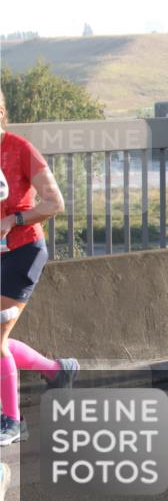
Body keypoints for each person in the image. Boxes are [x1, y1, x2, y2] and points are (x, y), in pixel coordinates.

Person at [0, 90, 79, 446]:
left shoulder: (20, 149)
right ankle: (57, 371)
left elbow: (54, 203)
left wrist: (13, 219)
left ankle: (12, 422)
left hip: (23, 251)